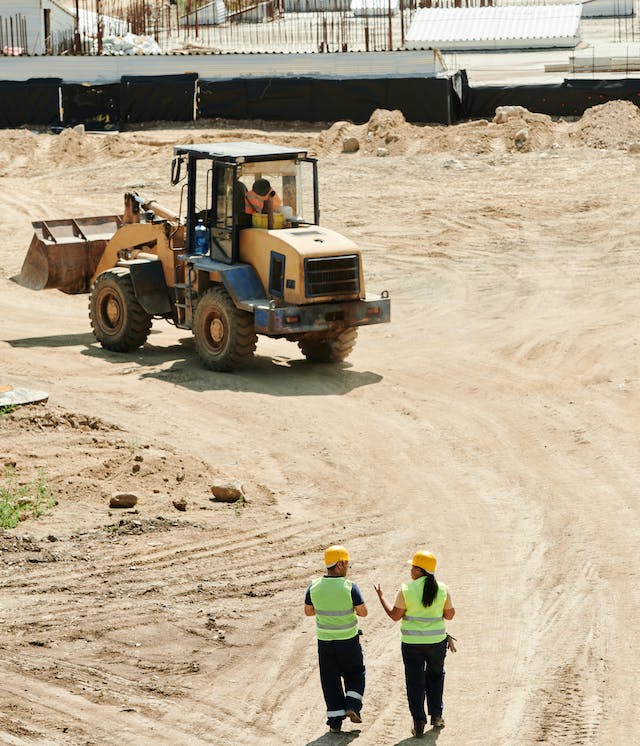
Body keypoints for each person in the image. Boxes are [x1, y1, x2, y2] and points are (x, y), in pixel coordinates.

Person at [374, 550, 455, 738]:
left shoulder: (406, 589)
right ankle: (437, 715)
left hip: (412, 644)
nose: (411, 570)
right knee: (436, 676)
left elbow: (395, 616)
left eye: (413, 567)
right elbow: (450, 615)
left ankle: (418, 721)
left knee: (415, 681)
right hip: (437, 643)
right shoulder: (442, 588)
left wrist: (381, 597)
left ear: (420, 570)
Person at [305, 545, 368, 734]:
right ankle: (352, 705)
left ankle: (334, 723)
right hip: (348, 641)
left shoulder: (314, 586)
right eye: (347, 563)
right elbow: (363, 612)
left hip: (325, 643)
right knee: (356, 673)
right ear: (340, 564)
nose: (348, 566)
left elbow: (308, 612)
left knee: (330, 680)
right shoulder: (349, 586)